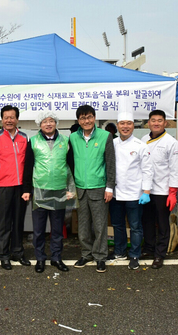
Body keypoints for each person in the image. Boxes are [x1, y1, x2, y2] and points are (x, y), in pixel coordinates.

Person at [22, 111, 77, 273]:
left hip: (60, 190)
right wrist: (26, 190)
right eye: (45, 121)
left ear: (56, 123)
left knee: (57, 228)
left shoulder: (65, 141)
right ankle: (40, 258)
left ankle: (56, 257)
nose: (48, 124)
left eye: (51, 121)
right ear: (40, 124)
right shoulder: (33, 141)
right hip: (40, 190)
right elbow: (27, 167)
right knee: (38, 229)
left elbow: (71, 166)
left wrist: (70, 189)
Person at [69, 104, 116, 273]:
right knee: (83, 227)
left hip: (99, 187)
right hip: (80, 188)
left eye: (89, 117)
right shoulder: (74, 138)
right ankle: (86, 253)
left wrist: (109, 187)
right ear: (79, 121)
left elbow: (110, 163)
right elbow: (70, 162)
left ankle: (100, 256)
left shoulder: (105, 136)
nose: (86, 121)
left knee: (100, 225)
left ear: (94, 118)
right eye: (82, 118)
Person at [110, 101, 153, 270]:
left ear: (133, 126)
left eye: (128, 123)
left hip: (135, 194)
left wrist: (146, 191)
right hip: (115, 193)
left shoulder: (140, 146)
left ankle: (135, 254)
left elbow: (148, 170)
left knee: (135, 226)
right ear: (118, 125)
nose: (125, 127)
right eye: (122, 123)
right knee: (117, 224)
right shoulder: (111, 143)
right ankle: (119, 251)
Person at [0, 105, 30, 270]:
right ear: (2, 120)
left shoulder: (24, 137)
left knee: (18, 221)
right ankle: (4, 255)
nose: (9, 120)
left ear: (17, 119)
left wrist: (27, 187)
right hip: (3, 186)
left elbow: (27, 163)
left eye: (12, 117)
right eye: (6, 117)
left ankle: (18, 252)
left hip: (20, 187)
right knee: (4, 222)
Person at [141, 110, 178, 269]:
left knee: (163, 223)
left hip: (163, 191)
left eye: (159, 120)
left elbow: (175, 169)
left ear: (165, 123)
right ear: (148, 123)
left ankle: (160, 253)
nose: (156, 123)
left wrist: (172, 192)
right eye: (153, 120)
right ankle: (149, 248)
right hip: (146, 190)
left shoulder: (171, 142)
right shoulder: (143, 139)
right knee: (147, 221)